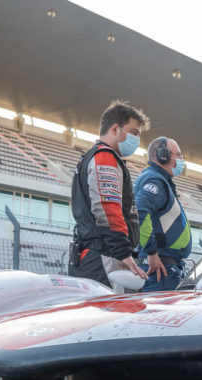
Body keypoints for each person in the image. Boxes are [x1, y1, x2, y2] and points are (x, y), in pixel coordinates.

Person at [69, 100, 150, 288]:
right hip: (103, 257)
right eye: (134, 133)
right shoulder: (104, 157)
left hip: (97, 253)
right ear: (115, 129)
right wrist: (122, 252)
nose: (137, 140)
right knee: (107, 315)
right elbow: (107, 208)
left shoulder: (94, 156)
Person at [134, 137, 191, 291]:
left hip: (165, 267)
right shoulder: (155, 180)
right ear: (163, 155)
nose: (181, 160)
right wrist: (152, 253)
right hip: (160, 270)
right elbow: (141, 213)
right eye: (178, 155)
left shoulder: (159, 179)